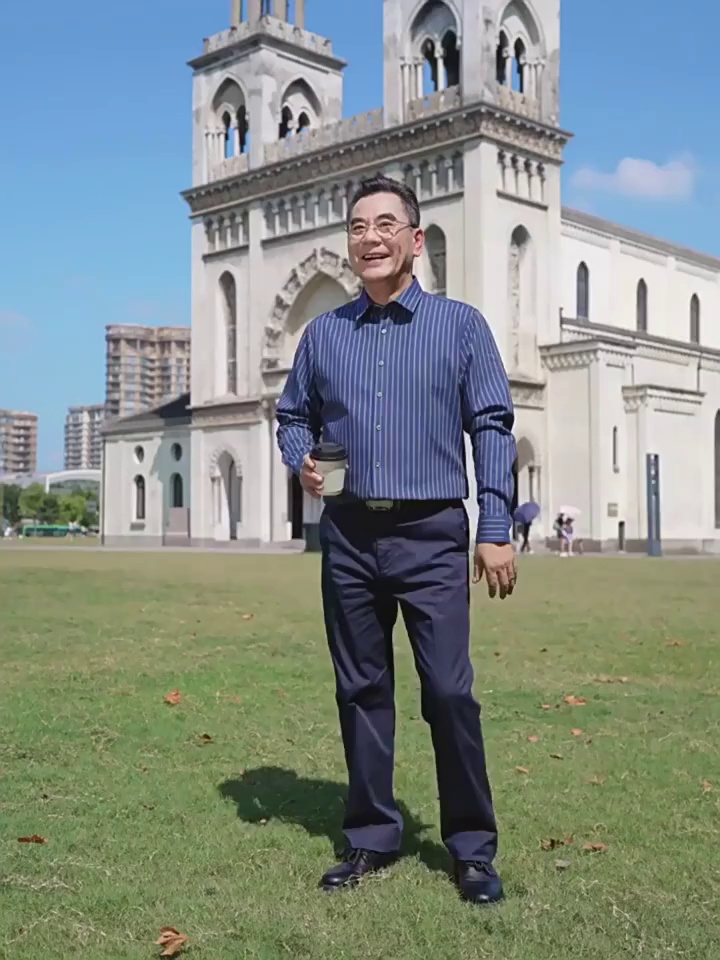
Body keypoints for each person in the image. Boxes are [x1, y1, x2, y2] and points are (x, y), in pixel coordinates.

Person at [275, 174, 517, 905]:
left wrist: (495, 526)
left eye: (385, 225)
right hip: (349, 534)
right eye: (357, 227)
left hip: (431, 532)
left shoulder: (461, 327)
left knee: (448, 692)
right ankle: (372, 837)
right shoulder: (324, 335)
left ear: (414, 239)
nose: (370, 238)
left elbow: (491, 425)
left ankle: (472, 849)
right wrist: (302, 461)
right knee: (361, 689)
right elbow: (292, 417)